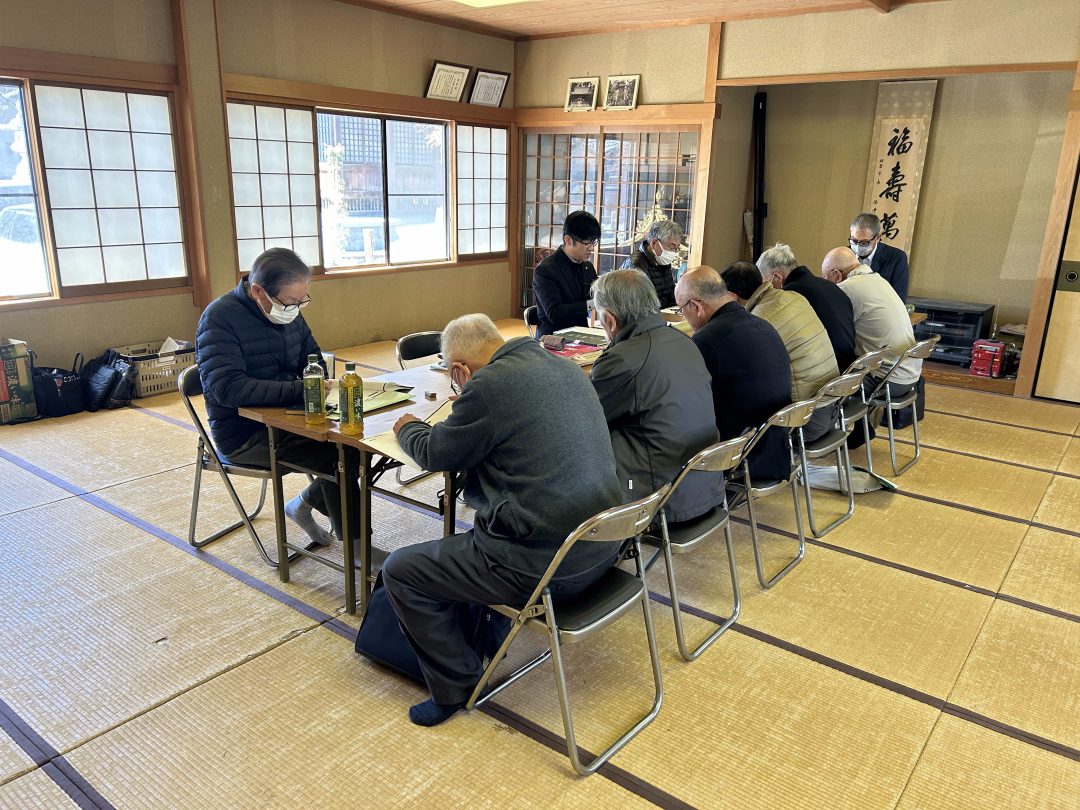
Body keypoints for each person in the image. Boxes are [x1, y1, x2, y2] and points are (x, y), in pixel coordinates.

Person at [383, 314, 625, 727]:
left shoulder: (488, 387)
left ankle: (456, 685)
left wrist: (409, 427)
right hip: (604, 544)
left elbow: (436, 453)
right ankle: (490, 636)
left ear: (459, 371)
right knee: (479, 530)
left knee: (400, 570)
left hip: (547, 567)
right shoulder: (566, 367)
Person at [195, 247, 357, 549]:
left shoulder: (288, 311)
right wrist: (301, 389)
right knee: (337, 453)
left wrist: (317, 381)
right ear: (258, 291)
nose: (295, 308)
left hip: (292, 416)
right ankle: (356, 546)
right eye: (290, 301)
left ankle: (302, 504)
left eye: (301, 300)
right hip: (245, 434)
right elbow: (227, 389)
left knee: (355, 440)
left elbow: (313, 359)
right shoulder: (219, 318)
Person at [589, 269, 723, 520]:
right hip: (703, 485)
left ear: (610, 319)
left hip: (656, 498)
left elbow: (583, 418)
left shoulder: (623, 359)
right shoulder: (685, 341)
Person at [674, 267, 793, 481]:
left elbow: (686, 404)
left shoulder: (707, 340)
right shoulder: (762, 324)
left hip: (739, 459)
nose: (683, 316)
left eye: (681, 310)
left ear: (696, 306)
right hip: (776, 448)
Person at [721, 260, 839, 441]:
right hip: (833, 407)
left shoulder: (757, 320)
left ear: (732, 296)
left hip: (805, 422)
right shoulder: (794, 296)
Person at [822, 246, 922, 399]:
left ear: (837, 274)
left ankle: (837, 415)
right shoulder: (879, 280)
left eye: (825, 277)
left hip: (885, 381)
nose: (824, 282)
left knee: (817, 379)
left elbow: (831, 334)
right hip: (910, 375)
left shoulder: (845, 288)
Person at [757, 242, 857, 373]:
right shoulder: (830, 285)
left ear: (776, 277)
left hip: (827, 372)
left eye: (765, 283)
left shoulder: (789, 296)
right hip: (849, 369)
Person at [532, 210, 600, 337]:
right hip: (553, 338)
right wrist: (593, 303)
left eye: (593, 242)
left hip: (582, 334)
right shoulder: (545, 270)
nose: (591, 248)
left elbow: (597, 295)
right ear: (568, 240)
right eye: (586, 243)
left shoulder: (587, 267)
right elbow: (554, 313)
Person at [619, 219, 682, 308]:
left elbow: (670, 293)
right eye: (671, 247)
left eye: (676, 248)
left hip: (661, 313)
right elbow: (639, 305)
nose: (673, 252)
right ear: (654, 243)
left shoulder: (662, 259)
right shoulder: (635, 265)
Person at [850, 212, 909, 301]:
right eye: (854, 240)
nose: (858, 246)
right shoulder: (843, 254)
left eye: (864, 242)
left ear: (877, 238)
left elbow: (899, 298)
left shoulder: (896, 258)